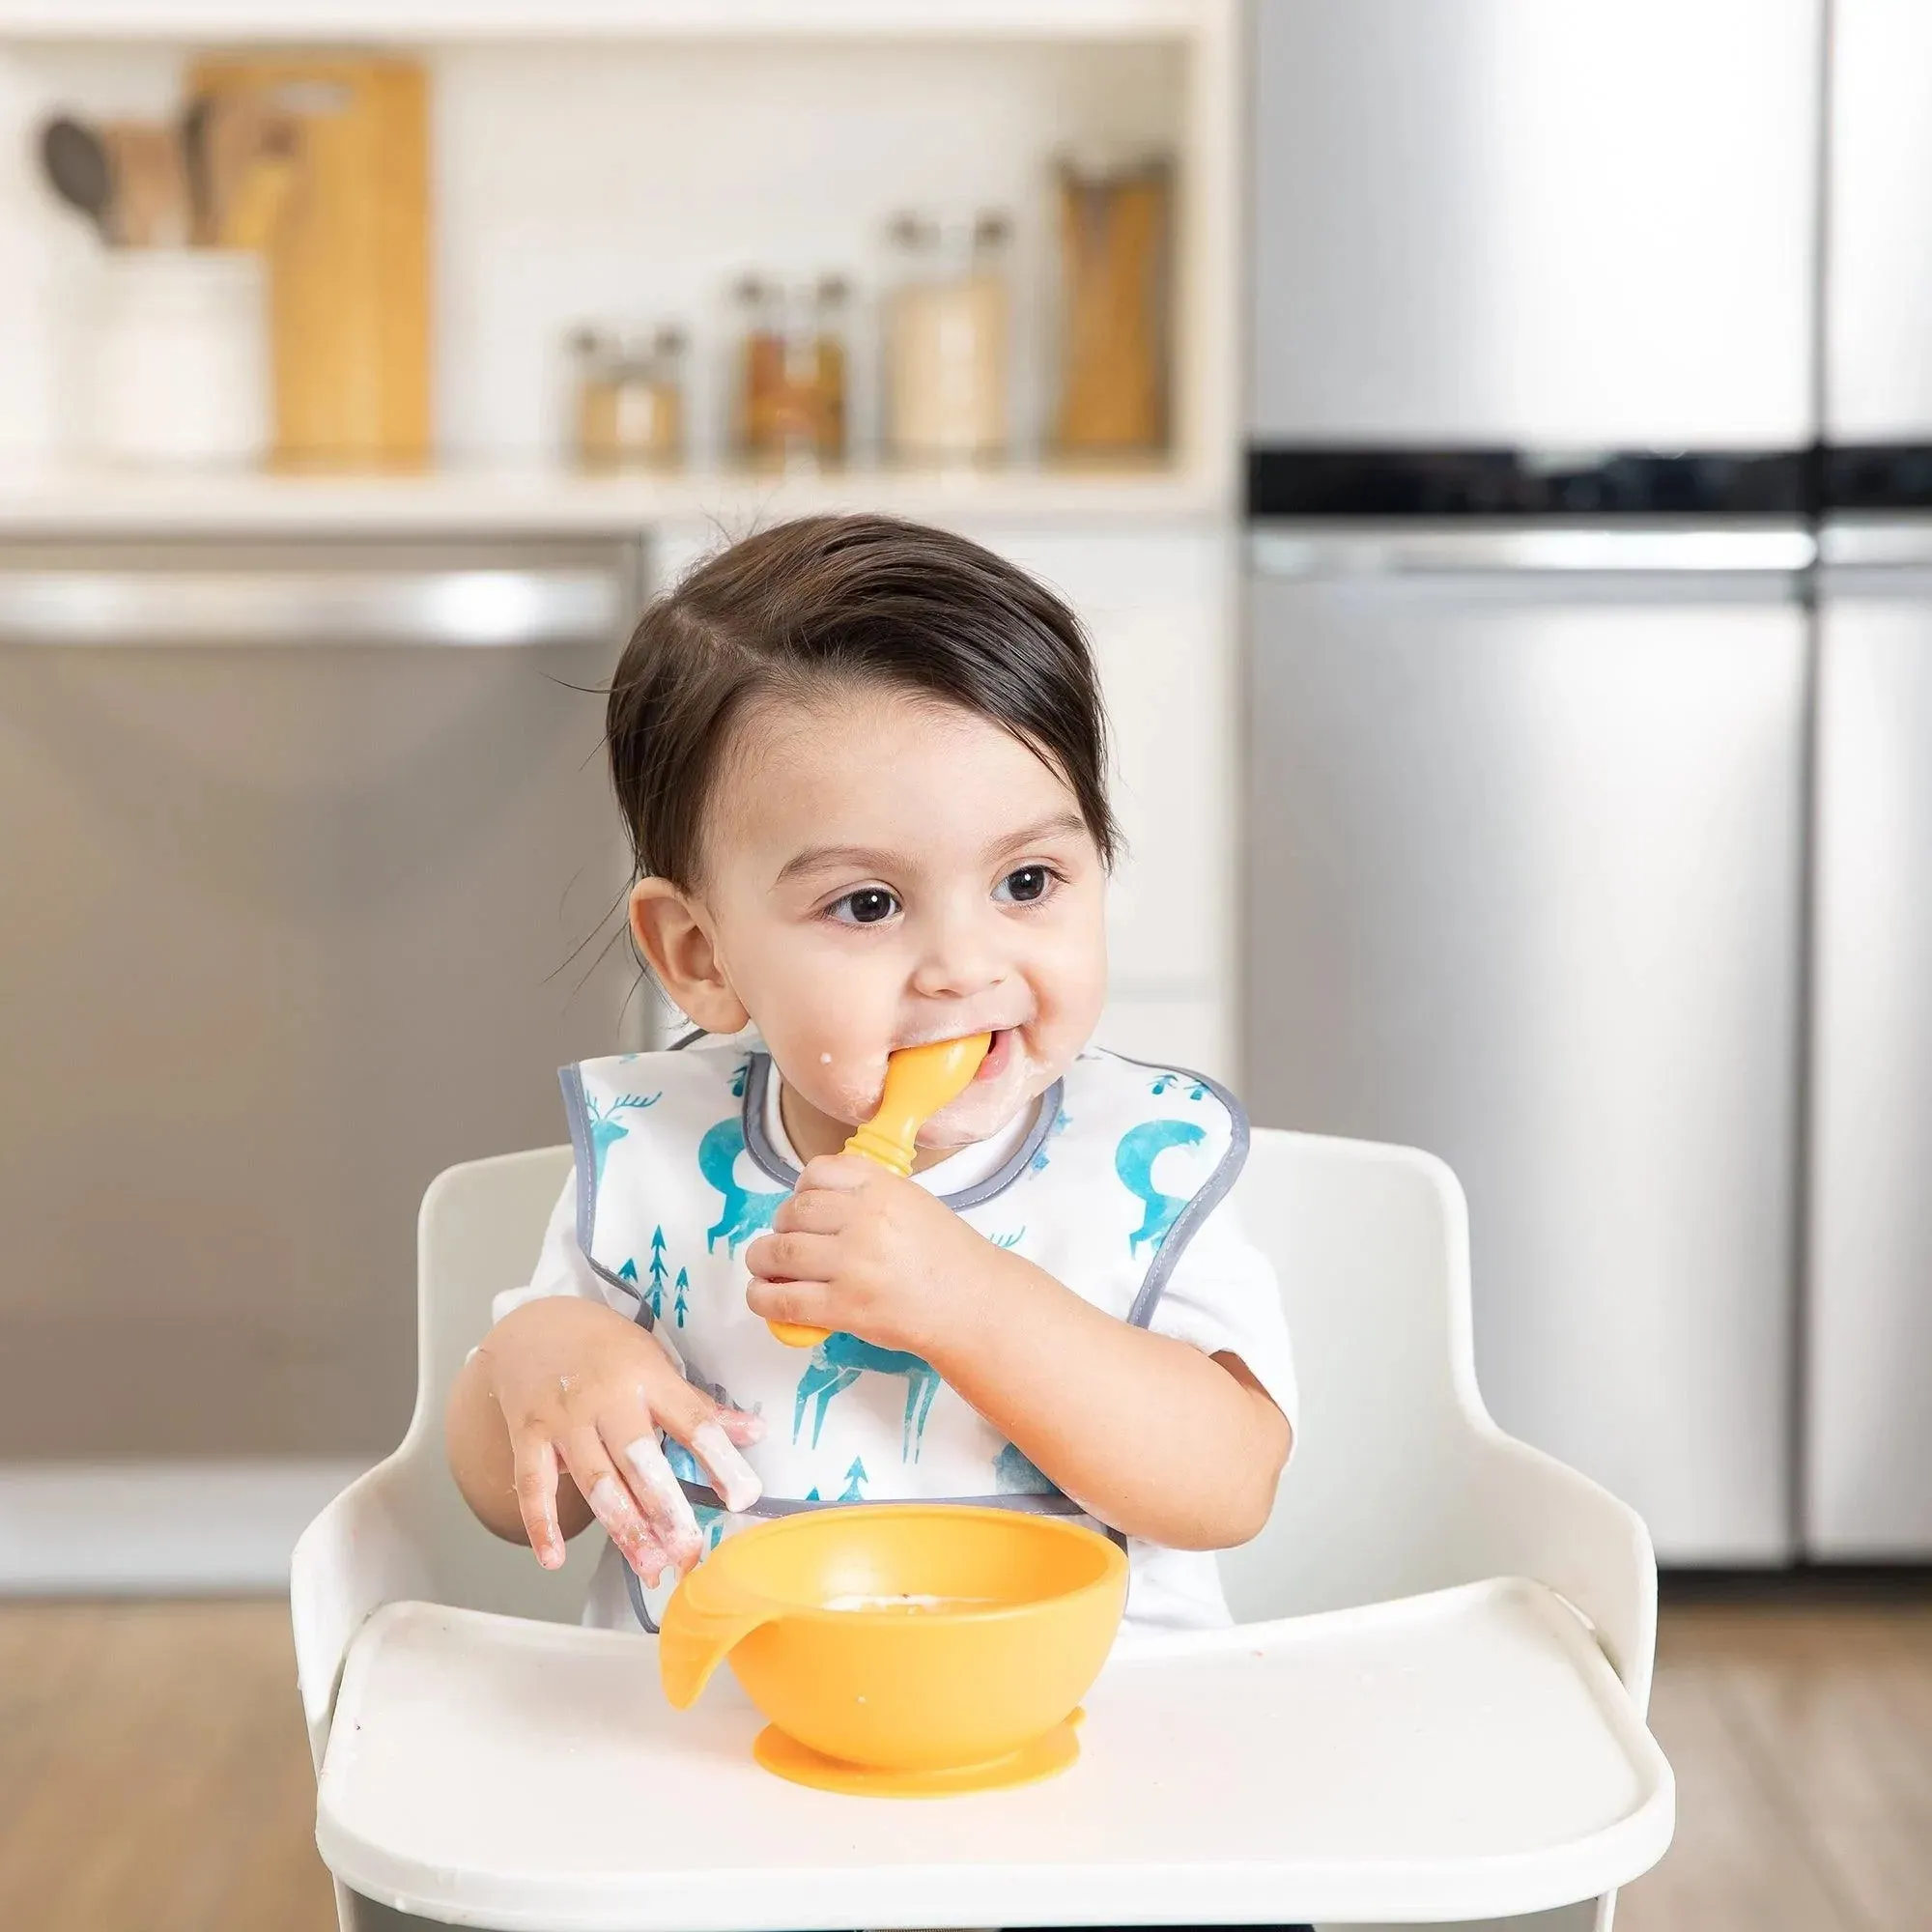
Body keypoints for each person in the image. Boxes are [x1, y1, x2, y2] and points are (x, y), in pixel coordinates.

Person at [445, 512, 1296, 1637]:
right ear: (701, 956)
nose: (961, 966)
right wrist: (541, 1363)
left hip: (1083, 1757)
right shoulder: (658, 1157)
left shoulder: (1139, 1156)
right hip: (725, 1757)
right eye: (867, 904)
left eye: (1028, 879)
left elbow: (1228, 1485)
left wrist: (970, 1302)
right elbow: (520, 1503)